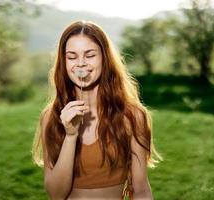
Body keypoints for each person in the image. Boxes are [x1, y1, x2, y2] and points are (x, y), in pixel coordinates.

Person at [32, 20, 162, 200]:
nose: (81, 64)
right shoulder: (51, 117)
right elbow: (56, 194)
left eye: (90, 55)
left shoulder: (132, 116)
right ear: (64, 62)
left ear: (105, 58)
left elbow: (141, 191)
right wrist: (70, 135)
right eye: (71, 57)